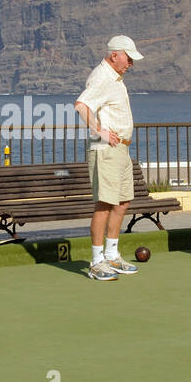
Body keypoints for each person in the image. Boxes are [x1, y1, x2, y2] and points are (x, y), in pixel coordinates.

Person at [75, 35, 144, 281]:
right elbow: (81, 105)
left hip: (121, 149)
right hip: (106, 150)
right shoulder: (102, 77)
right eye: (128, 58)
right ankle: (96, 262)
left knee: (122, 201)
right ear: (115, 55)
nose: (131, 64)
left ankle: (112, 255)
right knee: (104, 204)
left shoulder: (116, 78)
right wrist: (100, 131)